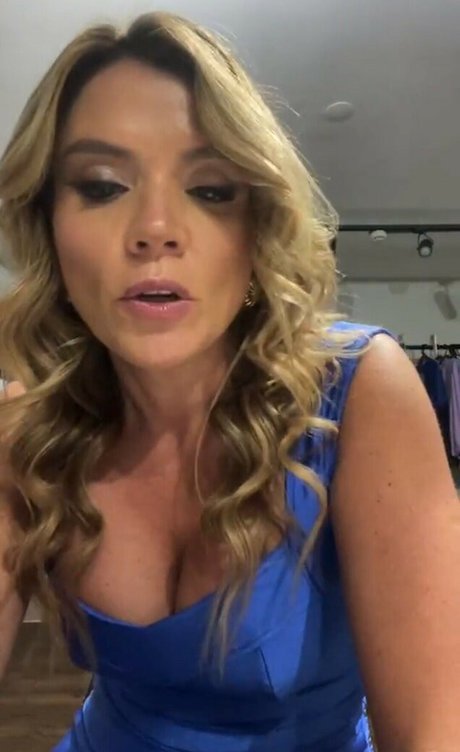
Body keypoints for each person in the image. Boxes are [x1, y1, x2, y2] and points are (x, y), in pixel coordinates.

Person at [0, 11, 459, 752]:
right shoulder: (28, 428)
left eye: (211, 190)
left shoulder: (360, 393)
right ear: (49, 225)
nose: (155, 228)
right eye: (103, 185)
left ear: (257, 231)